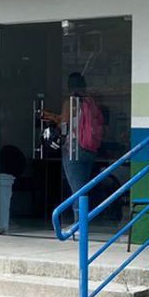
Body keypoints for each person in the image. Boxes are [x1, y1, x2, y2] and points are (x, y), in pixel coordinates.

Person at [42, 72, 100, 223]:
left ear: (69, 85)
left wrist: (53, 119)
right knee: (84, 187)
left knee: (77, 191)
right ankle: (83, 223)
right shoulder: (91, 102)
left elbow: (65, 125)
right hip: (90, 148)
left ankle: (78, 226)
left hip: (74, 150)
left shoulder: (70, 102)